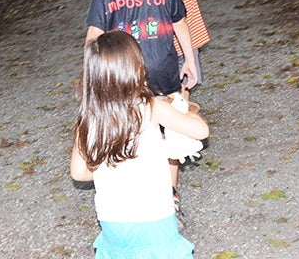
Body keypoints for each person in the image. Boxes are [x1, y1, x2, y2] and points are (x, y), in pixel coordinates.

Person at [84, 0, 198, 209]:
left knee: (131, 127)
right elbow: (179, 22)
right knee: (172, 128)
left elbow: (94, 35)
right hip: (162, 65)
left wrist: (93, 76)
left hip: (124, 72)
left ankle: (137, 193)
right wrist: (189, 60)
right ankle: (170, 192)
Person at [71, 31, 209, 258]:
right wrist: (183, 105)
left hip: (112, 223)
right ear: (137, 69)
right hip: (154, 219)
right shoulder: (151, 107)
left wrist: (112, 167)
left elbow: (79, 173)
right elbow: (201, 131)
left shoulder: (88, 119)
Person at [145, 0, 254, 98]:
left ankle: (167, 117)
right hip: (186, 46)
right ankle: (182, 116)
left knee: (164, 88)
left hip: (160, 49)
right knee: (185, 87)